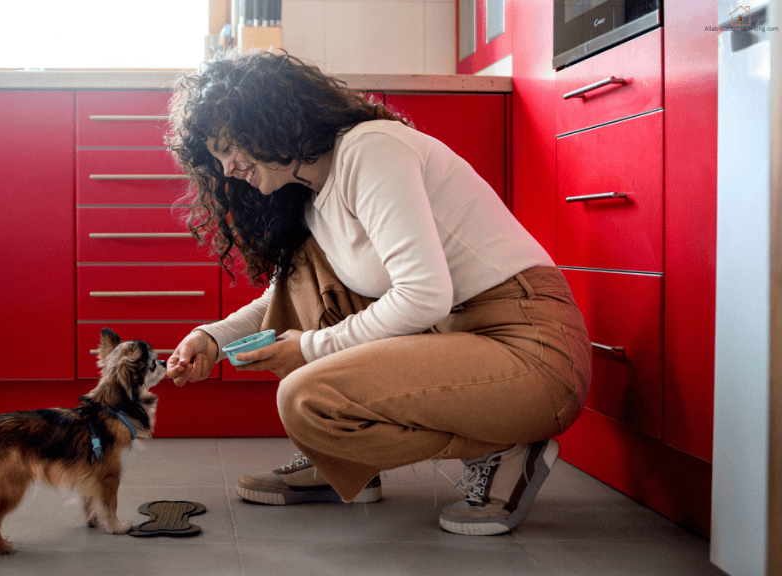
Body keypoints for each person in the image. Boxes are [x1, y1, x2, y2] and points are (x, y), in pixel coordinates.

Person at [164, 50, 591, 536]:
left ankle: (507, 447)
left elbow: (423, 295)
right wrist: (212, 338)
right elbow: (284, 299)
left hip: (530, 351)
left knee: (305, 398)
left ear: (266, 119)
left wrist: (309, 348)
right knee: (304, 283)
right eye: (216, 157)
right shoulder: (311, 200)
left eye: (228, 147)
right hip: (454, 338)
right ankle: (346, 466)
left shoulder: (369, 150)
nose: (226, 169)